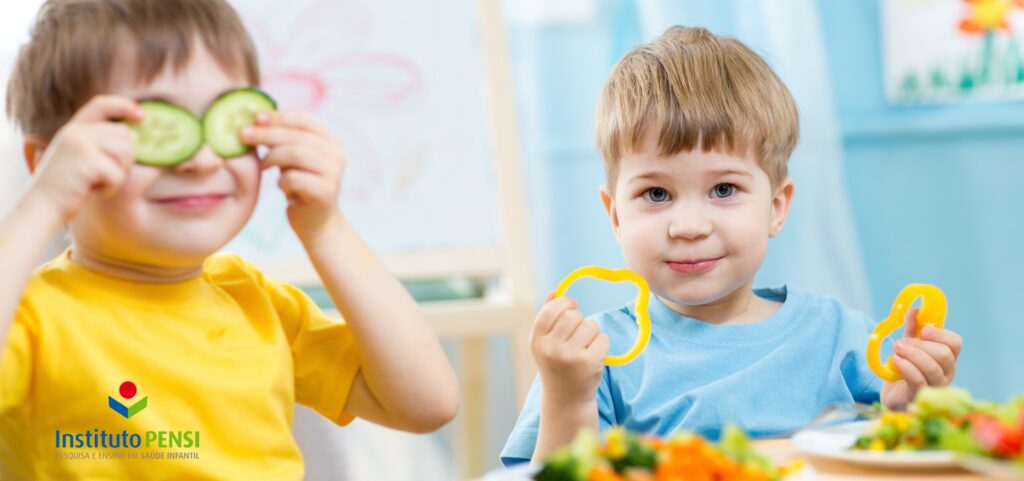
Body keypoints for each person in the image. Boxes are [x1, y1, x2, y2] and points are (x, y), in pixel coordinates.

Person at [0, 1, 458, 479]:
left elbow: (427, 403)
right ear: (48, 160)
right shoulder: (31, 318)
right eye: (151, 128)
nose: (199, 161)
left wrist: (326, 228)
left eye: (224, 122)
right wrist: (40, 202)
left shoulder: (255, 303)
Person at [501, 26, 963, 466]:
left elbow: (901, 462)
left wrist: (910, 409)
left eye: (723, 190)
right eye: (656, 194)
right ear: (616, 215)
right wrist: (567, 397)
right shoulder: (590, 361)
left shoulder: (843, 338)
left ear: (776, 207)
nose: (688, 226)